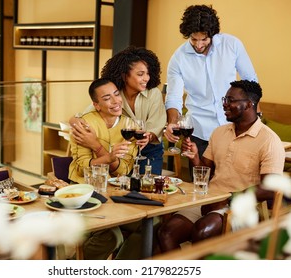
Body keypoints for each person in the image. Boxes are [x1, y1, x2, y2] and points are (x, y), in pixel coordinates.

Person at [157, 80, 285, 253]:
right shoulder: (219, 133)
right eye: (225, 99)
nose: (224, 104)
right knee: (166, 232)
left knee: (202, 232)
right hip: (209, 199)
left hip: (242, 206)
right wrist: (195, 157)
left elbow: (270, 188)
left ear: (249, 104)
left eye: (230, 100)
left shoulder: (269, 140)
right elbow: (205, 172)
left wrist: (228, 199)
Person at [164, 5, 258, 163]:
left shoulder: (232, 45)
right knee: (201, 182)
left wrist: (256, 119)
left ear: (213, 34)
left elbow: (251, 82)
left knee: (232, 183)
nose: (198, 45)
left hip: (234, 128)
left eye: (204, 39)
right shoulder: (178, 58)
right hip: (200, 132)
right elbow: (173, 97)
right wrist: (173, 122)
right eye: (194, 39)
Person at [68, 78, 139, 260]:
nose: (116, 101)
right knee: (110, 235)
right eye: (107, 98)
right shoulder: (84, 125)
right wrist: (109, 156)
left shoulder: (130, 126)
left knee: (152, 222)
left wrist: (101, 151)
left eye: (116, 94)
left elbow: (123, 170)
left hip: (115, 192)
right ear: (96, 105)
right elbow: (84, 165)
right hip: (83, 191)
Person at [70, 46, 167, 175]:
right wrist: (75, 121)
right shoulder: (115, 94)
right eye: (140, 74)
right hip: (123, 150)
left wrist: (148, 136)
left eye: (148, 73)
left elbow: (157, 124)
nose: (146, 78)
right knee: (124, 188)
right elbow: (85, 114)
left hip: (148, 150)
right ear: (124, 75)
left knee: (149, 188)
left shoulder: (153, 94)